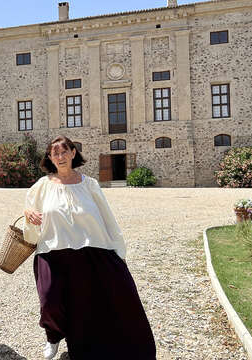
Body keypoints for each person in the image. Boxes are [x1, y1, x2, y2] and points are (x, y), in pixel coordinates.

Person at [23, 135, 156, 359]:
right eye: (55, 153)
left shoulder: (90, 184)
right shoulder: (42, 186)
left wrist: (118, 251)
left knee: (95, 304)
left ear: (73, 153)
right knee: (49, 300)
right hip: (51, 252)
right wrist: (28, 214)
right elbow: (29, 215)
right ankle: (53, 337)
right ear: (50, 158)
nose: (60, 156)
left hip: (89, 251)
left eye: (64, 151)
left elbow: (107, 219)